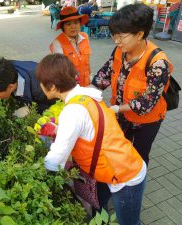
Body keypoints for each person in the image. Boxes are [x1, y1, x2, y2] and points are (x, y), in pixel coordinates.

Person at [36, 53, 146, 225]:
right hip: (114, 167)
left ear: (51, 86)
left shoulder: (73, 111)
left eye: (41, 83)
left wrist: (36, 175)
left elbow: (55, 160)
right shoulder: (86, 97)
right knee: (99, 206)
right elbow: (87, 128)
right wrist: (59, 130)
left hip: (126, 176)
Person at [91, 3, 173, 165]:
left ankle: (136, 186)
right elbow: (105, 75)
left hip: (147, 120)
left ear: (140, 34)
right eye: (114, 35)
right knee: (121, 148)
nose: (116, 41)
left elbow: (147, 103)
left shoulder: (157, 63)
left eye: (121, 36)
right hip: (122, 114)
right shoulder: (120, 51)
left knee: (139, 155)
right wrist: (86, 91)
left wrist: (116, 108)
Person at [49, 6, 91, 86]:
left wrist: (90, 76)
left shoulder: (85, 37)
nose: (73, 27)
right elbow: (60, 70)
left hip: (87, 83)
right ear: (63, 27)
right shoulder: (57, 43)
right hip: (71, 85)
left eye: (76, 23)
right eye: (68, 24)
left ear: (80, 24)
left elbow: (87, 61)